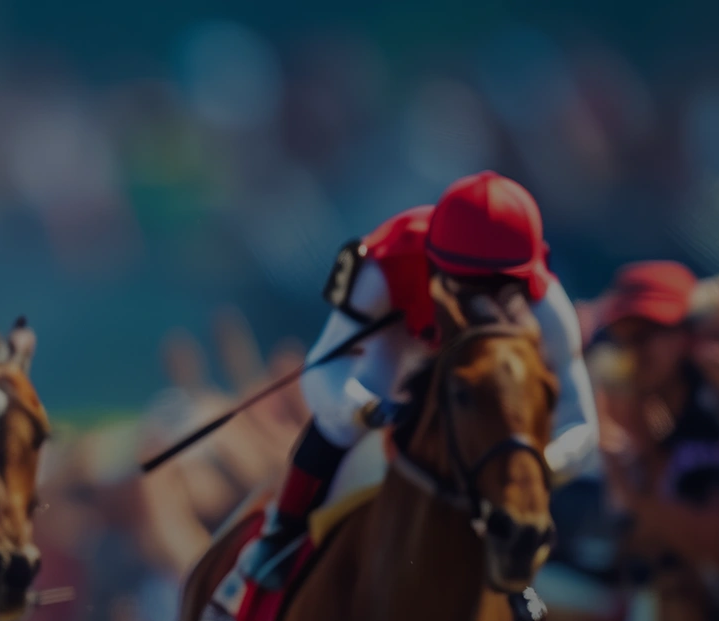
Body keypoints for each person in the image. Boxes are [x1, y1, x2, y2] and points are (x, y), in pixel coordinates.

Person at [232, 171, 597, 597]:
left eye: (502, 289)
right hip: (402, 340)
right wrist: (362, 409)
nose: (484, 308)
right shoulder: (381, 266)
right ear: (434, 264)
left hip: (477, 367)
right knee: (345, 421)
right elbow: (322, 371)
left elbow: (580, 423)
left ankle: (514, 571)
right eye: (469, 286)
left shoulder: (546, 303)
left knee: (504, 434)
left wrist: (542, 463)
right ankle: (283, 530)